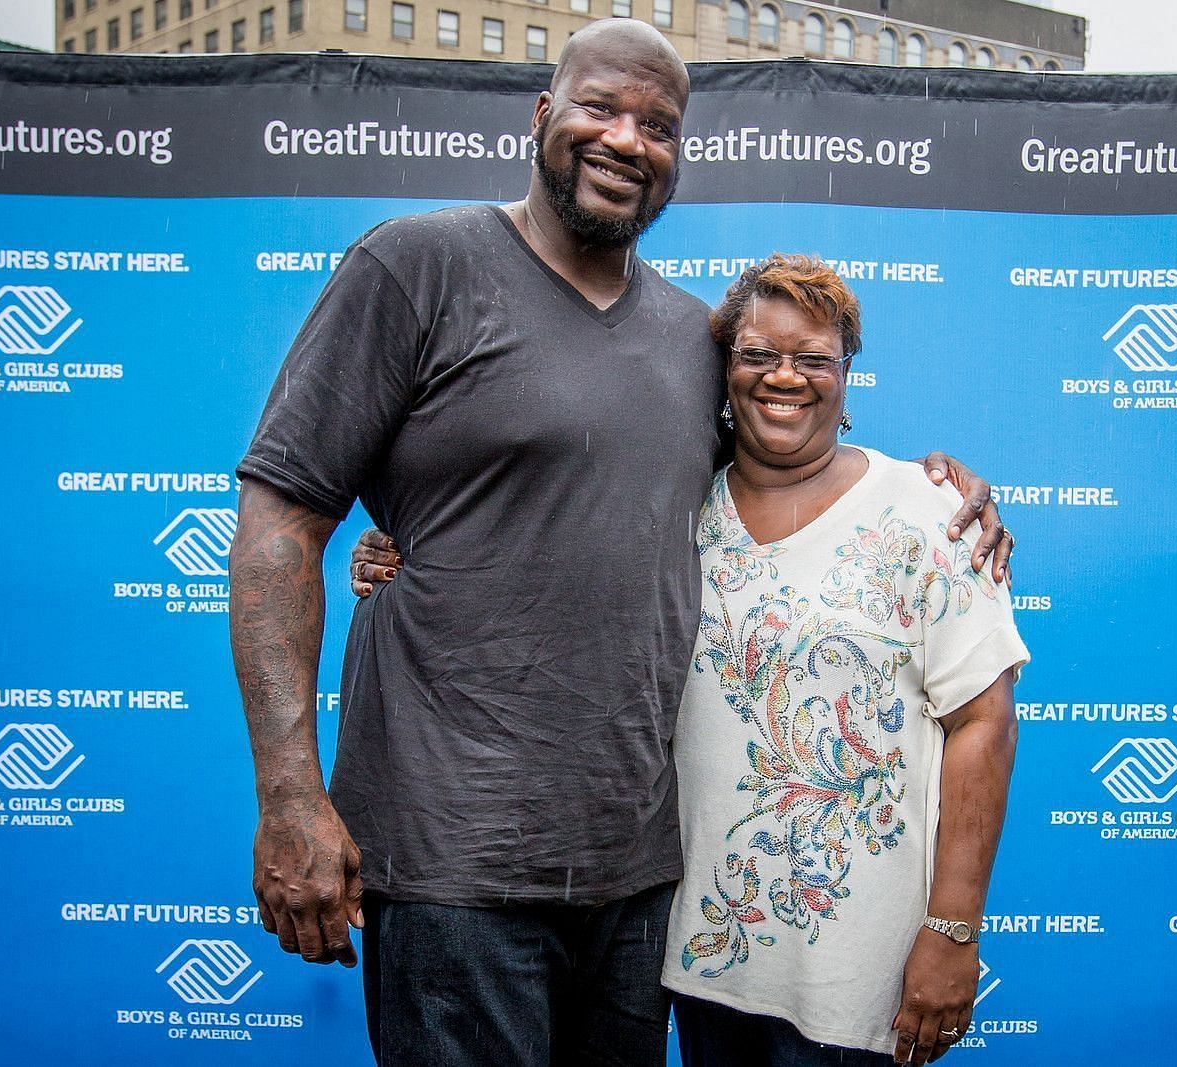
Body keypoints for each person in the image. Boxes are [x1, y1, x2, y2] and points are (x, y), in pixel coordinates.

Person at [231, 20, 1012, 1067]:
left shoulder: (694, 340)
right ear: (542, 114)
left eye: (659, 125)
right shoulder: (412, 266)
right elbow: (281, 519)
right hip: (456, 860)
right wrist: (290, 794)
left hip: (641, 878)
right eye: (600, 107)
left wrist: (942, 487)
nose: (626, 139)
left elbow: (791, 461)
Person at [356, 256, 1025, 1066]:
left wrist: (952, 930)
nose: (786, 376)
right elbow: (535, 538)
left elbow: (983, 722)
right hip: (706, 964)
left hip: (864, 976)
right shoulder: (679, 502)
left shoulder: (927, 514)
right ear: (723, 375)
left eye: (814, 358)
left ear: (847, 376)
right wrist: (413, 550)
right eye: (757, 355)